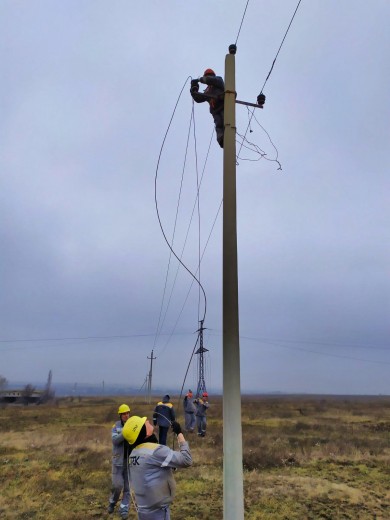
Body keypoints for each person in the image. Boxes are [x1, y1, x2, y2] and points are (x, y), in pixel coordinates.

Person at [123, 416, 192, 520]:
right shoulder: (155, 450)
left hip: (143, 510)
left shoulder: (133, 452)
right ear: (143, 432)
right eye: (144, 422)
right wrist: (179, 433)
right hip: (158, 512)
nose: (147, 420)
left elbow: (149, 468)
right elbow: (186, 460)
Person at [107, 404, 132, 519]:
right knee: (118, 486)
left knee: (127, 488)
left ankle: (124, 509)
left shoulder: (132, 425)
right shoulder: (115, 426)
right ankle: (112, 502)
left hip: (129, 462)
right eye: (124, 414)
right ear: (120, 415)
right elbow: (115, 440)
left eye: (128, 413)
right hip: (117, 463)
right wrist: (125, 433)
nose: (126, 415)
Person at [190, 68, 225, 148]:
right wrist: (193, 89)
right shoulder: (207, 90)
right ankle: (221, 140)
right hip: (215, 110)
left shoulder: (218, 80)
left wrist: (199, 79)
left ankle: (228, 135)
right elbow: (198, 98)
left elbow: (210, 80)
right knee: (219, 124)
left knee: (226, 122)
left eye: (207, 76)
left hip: (223, 106)